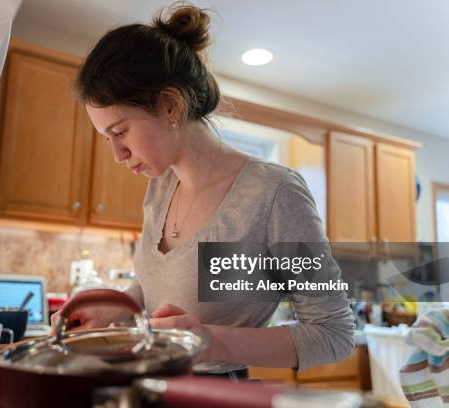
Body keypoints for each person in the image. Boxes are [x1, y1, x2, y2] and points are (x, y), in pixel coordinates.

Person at [51, 3, 355, 374]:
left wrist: (208, 342)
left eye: (120, 132)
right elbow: (161, 294)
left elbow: (333, 333)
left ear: (169, 106)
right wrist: (121, 307)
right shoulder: (160, 187)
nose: (117, 154)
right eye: (107, 138)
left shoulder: (274, 195)